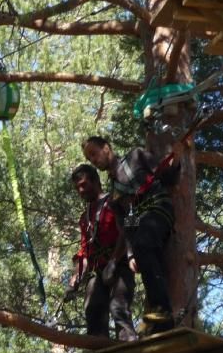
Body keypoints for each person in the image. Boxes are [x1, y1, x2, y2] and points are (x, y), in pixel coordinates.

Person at [82, 135, 179, 332]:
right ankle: (159, 315)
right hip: (143, 224)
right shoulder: (114, 195)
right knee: (146, 254)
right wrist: (130, 253)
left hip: (158, 207)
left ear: (107, 148)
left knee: (144, 244)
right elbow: (128, 222)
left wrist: (176, 161)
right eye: (90, 158)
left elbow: (165, 173)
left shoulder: (136, 156)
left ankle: (162, 311)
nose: (94, 159)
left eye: (94, 153)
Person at [67, 164, 138, 342]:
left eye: (83, 185)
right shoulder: (85, 217)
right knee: (93, 309)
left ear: (96, 181)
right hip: (98, 269)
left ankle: (128, 345)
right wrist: (75, 277)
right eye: (77, 188)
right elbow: (84, 251)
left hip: (120, 263)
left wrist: (115, 260)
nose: (80, 191)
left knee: (119, 308)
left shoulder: (115, 201)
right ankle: (97, 351)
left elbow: (128, 229)